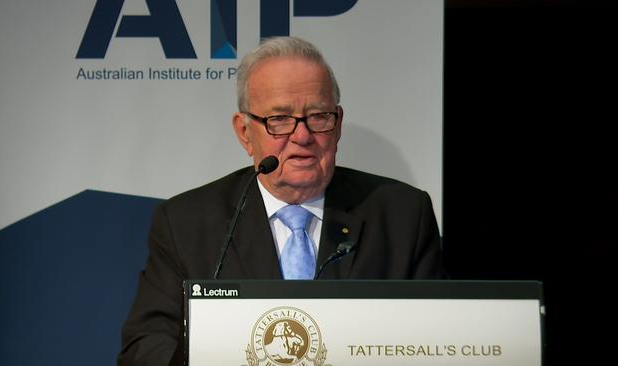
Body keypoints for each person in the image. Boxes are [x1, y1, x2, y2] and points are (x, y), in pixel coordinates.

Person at [118, 36, 444, 366]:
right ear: (244, 132)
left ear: (338, 123)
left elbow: (440, 339)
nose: (302, 136)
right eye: (280, 120)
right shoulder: (186, 223)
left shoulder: (403, 215)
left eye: (318, 116)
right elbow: (144, 348)